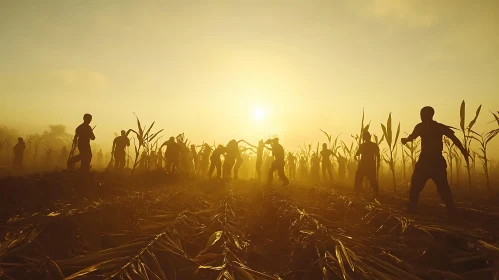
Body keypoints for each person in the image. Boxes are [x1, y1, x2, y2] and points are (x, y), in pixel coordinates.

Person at [402, 106, 469, 217]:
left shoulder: (422, 127)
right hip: (436, 161)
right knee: (441, 186)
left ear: (426, 115)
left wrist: (405, 140)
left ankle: (412, 207)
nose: (421, 116)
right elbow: (454, 138)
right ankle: (451, 209)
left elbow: (412, 137)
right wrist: (463, 151)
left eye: (422, 114)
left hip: (426, 162)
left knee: (417, 185)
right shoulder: (438, 127)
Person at [354, 131, 380, 197]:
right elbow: (357, 154)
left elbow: (357, 154)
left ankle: (359, 193)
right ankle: (359, 192)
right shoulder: (372, 145)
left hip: (366, 165)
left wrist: (356, 157)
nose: (365, 138)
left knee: (368, 179)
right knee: (362, 179)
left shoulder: (365, 145)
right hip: (367, 165)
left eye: (365, 137)